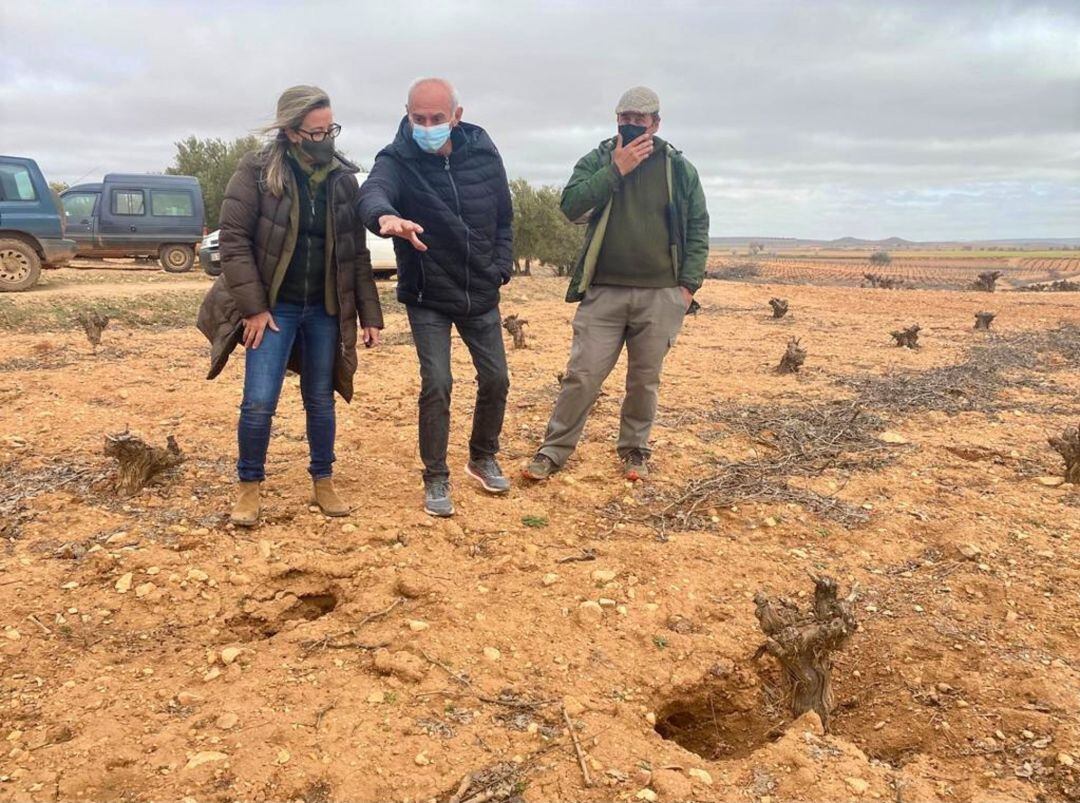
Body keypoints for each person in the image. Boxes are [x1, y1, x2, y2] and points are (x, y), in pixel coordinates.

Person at [197, 85, 383, 527]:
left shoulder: (342, 178)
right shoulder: (258, 171)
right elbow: (235, 242)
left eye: (331, 129)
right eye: (317, 132)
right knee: (259, 401)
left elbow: (356, 253)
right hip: (272, 310)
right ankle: (249, 487)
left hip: (324, 309)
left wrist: (370, 314)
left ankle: (323, 481)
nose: (327, 139)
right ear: (292, 131)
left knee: (321, 398)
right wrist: (254, 308)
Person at [522, 86, 709, 482]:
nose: (631, 125)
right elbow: (571, 205)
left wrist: (687, 288)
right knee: (582, 375)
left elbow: (698, 228)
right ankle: (553, 451)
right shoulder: (598, 158)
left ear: (656, 123)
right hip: (604, 291)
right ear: (616, 119)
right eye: (624, 117)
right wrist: (616, 169)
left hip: (661, 295)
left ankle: (635, 452)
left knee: (644, 381)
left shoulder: (679, 169)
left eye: (640, 120)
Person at [358, 77, 513, 517]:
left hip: (480, 287)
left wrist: (500, 266)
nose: (427, 125)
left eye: (436, 119)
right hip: (427, 291)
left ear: (456, 117)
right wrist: (385, 216)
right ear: (408, 115)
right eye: (418, 118)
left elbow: (504, 213)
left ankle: (482, 456)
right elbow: (372, 192)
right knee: (439, 383)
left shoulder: (483, 150)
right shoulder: (396, 158)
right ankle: (436, 476)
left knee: (497, 379)